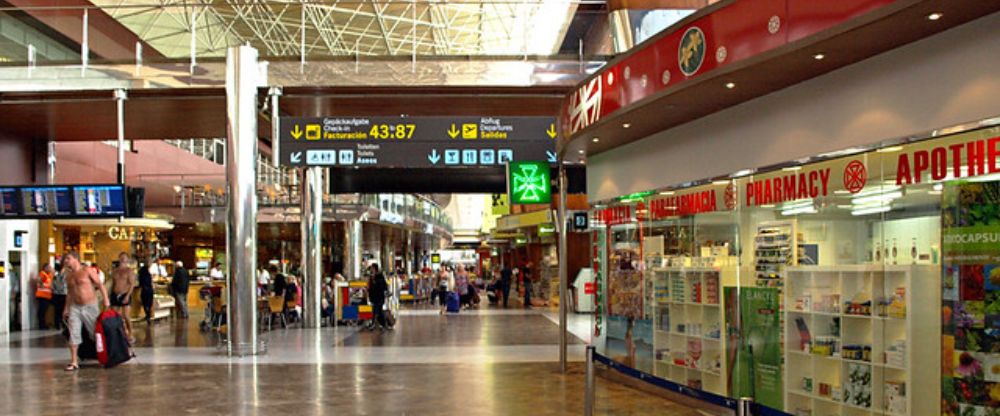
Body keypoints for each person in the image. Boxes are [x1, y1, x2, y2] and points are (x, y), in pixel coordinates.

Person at [62, 251, 110, 371]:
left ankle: (104, 356)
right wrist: (66, 308)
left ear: (75, 259)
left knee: (95, 332)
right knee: (73, 333)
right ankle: (74, 361)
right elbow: (69, 293)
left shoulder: (87, 270)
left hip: (90, 306)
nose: (66, 261)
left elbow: (100, 284)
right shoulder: (68, 276)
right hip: (75, 307)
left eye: (68, 258)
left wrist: (106, 300)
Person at [109, 253, 136, 341]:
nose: (123, 259)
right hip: (115, 294)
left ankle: (130, 333)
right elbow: (112, 284)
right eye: (121, 257)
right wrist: (109, 295)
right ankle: (117, 333)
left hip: (125, 293)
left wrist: (127, 296)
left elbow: (132, 284)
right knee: (114, 315)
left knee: (126, 315)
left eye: (125, 258)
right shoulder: (115, 271)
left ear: (127, 260)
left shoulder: (129, 271)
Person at [33, 264, 55, 330]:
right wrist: (44, 285)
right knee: (42, 311)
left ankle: (43, 324)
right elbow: (39, 282)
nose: (50, 269)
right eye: (49, 267)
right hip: (42, 295)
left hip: (47, 296)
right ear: (45, 268)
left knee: (44, 311)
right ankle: (41, 325)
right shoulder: (42, 274)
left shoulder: (49, 275)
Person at [138, 258, 155, 323]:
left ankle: (147, 315)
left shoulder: (142, 270)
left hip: (145, 288)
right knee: (148, 302)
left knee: (146, 302)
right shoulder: (145, 271)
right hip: (148, 289)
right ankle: (148, 315)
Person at [51, 263, 67, 330]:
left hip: (56, 294)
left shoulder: (55, 276)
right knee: (62, 310)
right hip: (63, 294)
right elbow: (64, 285)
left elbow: (52, 286)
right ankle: (63, 324)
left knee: (57, 310)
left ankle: (57, 324)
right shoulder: (64, 276)